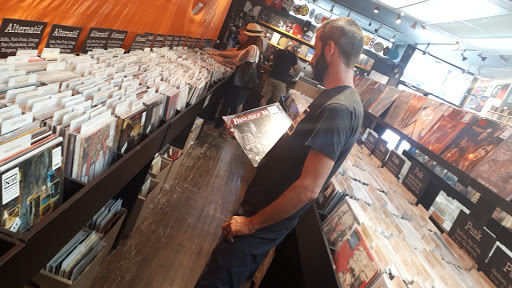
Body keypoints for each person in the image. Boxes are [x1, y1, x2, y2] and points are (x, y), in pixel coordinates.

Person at [195, 17, 364, 288]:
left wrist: (251, 224)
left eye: (317, 48)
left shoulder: (340, 108)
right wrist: (249, 130)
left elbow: (309, 187)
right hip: (260, 210)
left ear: (330, 49)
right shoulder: (335, 98)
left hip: (261, 221)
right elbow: (297, 143)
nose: (312, 58)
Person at [210, 23, 264, 129]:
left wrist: (217, 58)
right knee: (232, 103)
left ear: (249, 36)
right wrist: (218, 54)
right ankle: (225, 126)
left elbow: (237, 62)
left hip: (240, 82)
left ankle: (220, 126)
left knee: (229, 102)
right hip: (243, 83)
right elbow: (235, 53)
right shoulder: (254, 48)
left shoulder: (251, 48)